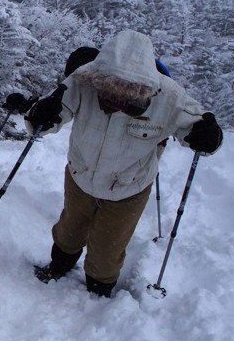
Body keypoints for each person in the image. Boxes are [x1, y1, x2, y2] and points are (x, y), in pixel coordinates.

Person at [24, 30, 223, 297]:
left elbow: (197, 127)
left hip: (129, 188)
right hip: (80, 175)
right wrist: (40, 116)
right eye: (107, 94)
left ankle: (98, 289)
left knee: (108, 248)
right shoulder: (84, 80)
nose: (115, 103)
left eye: (126, 98)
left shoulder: (170, 96)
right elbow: (53, 112)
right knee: (69, 229)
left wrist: (209, 137)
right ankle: (59, 265)